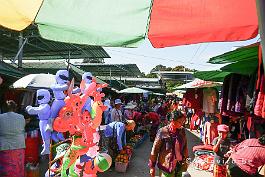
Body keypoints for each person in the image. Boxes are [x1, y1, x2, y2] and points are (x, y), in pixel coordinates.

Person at [149, 111, 188, 177]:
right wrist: (152, 166)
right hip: (166, 167)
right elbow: (155, 150)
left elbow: (185, 147)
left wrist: (186, 159)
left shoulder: (182, 131)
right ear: (172, 121)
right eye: (179, 122)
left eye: (183, 122)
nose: (181, 124)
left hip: (179, 165)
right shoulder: (162, 131)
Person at [0, 100, 26, 177]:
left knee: (6, 169)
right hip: (19, 145)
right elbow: (22, 128)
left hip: (4, 146)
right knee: (18, 167)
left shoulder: (1, 117)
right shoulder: (21, 117)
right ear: (15, 108)